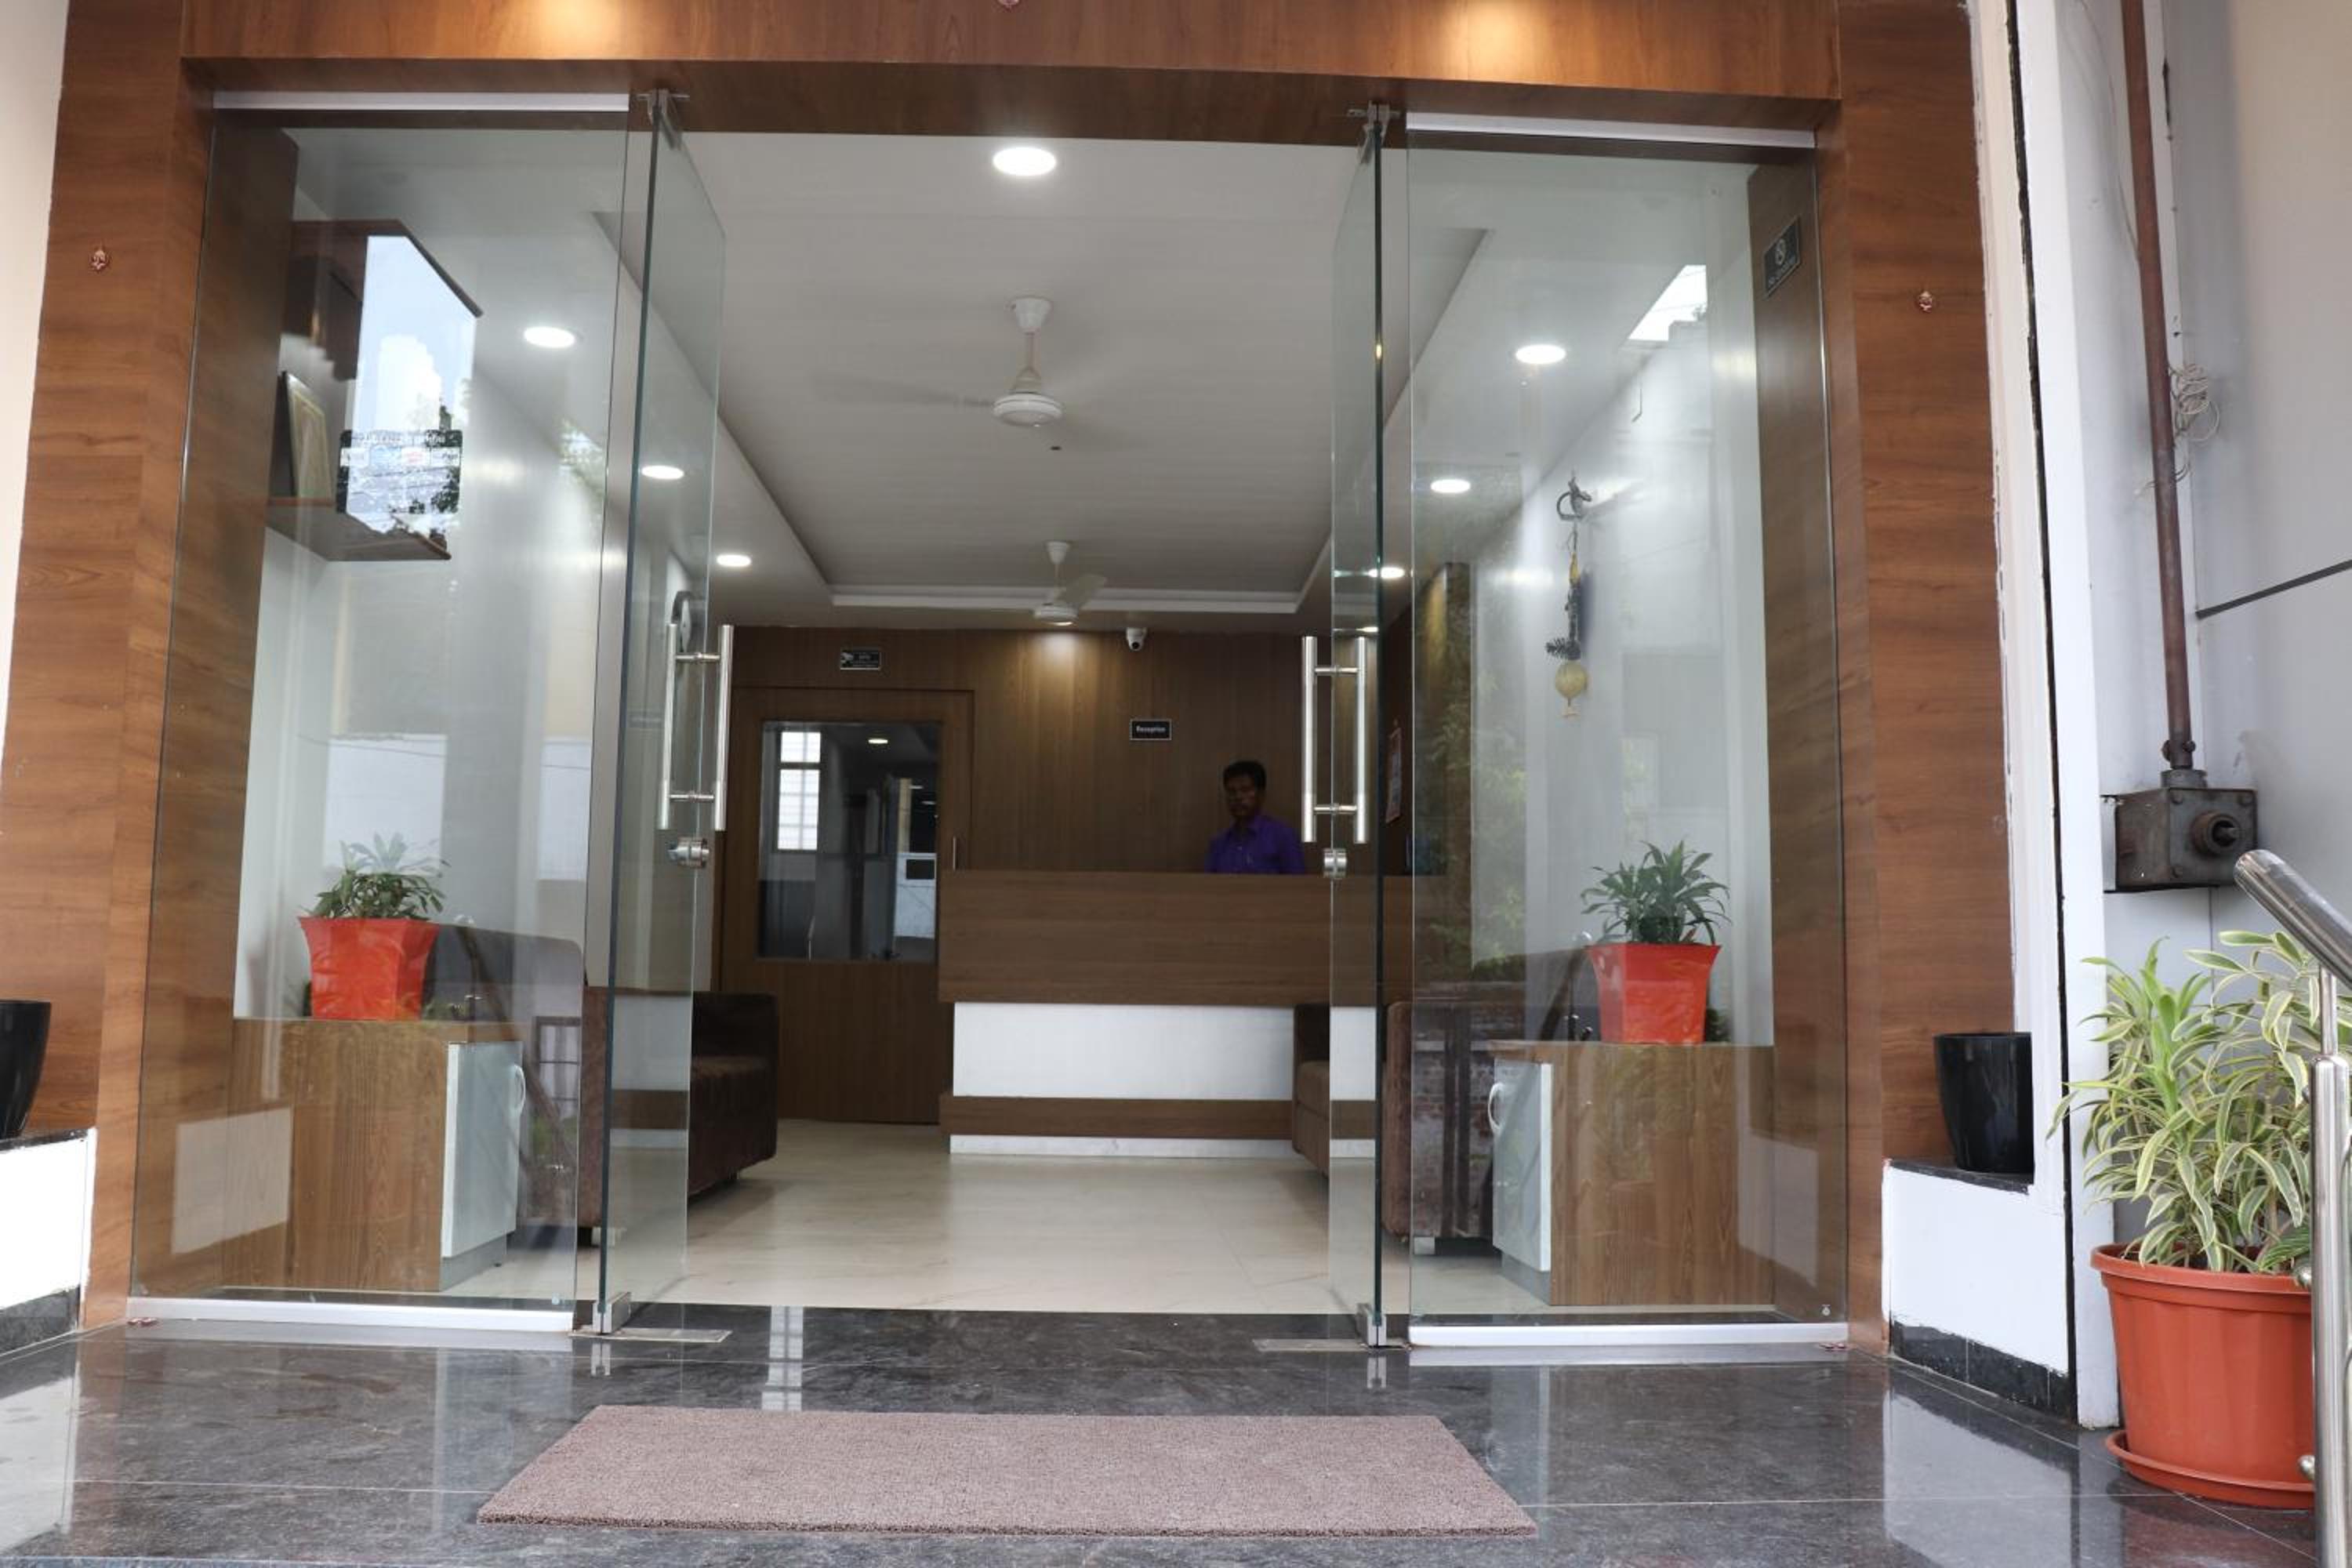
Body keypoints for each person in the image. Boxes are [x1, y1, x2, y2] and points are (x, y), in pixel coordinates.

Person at [1203, 758, 1306, 874]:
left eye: (1245, 790)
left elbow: (1297, 884)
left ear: (1261, 794)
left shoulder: (1283, 838)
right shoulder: (1219, 844)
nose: (1238, 797)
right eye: (1232, 791)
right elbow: (1208, 883)